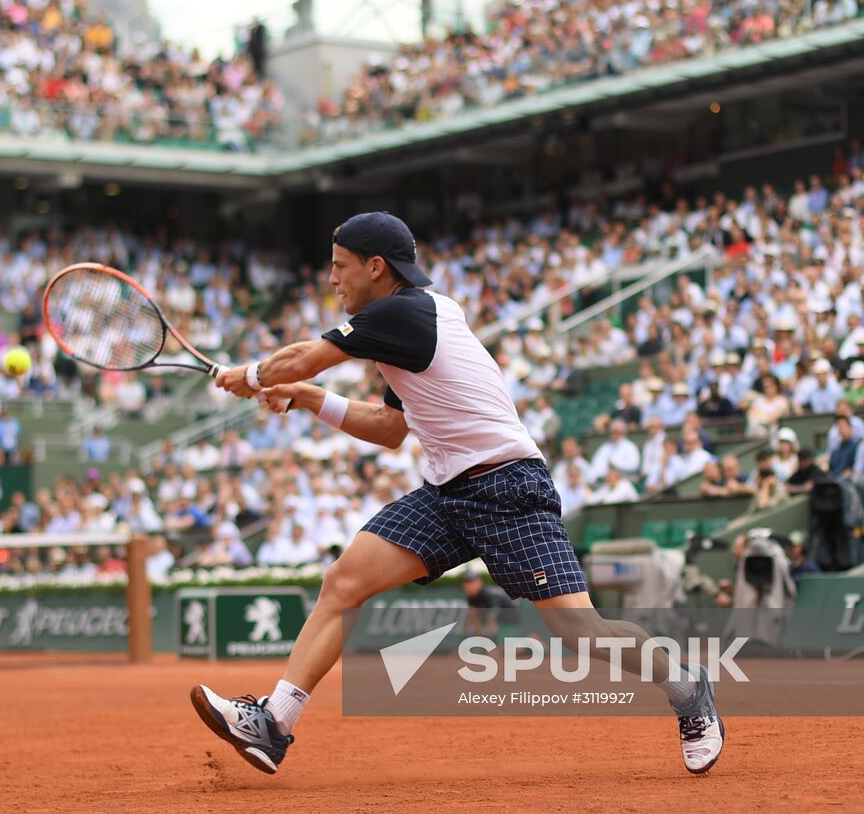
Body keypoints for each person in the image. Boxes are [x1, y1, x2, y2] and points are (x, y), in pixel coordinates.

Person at [191, 212, 723, 777]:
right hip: (446, 494)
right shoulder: (405, 324)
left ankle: (687, 688)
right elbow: (390, 428)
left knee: (579, 631)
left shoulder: (403, 312)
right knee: (343, 582)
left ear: (376, 268)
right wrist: (309, 397)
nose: (332, 280)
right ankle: (274, 723)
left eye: (339, 267)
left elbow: (296, 359)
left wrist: (250, 375)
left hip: (508, 487)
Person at [459, 567, 520, 638]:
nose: (468, 585)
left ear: (479, 582)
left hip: (511, 622)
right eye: (466, 582)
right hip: (501, 622)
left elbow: (492, 618)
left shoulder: (488, 594)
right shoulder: (472, 597)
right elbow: (472, 616)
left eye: (471, 582)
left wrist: (491, 640)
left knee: (500, 647)